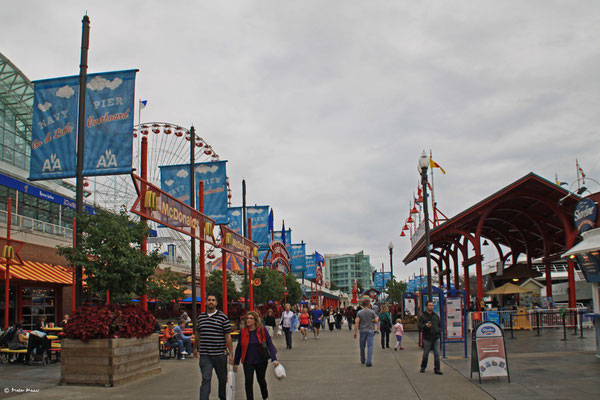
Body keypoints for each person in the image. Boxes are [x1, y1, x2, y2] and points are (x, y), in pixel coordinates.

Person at [234, 311, 280, 400]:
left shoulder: (262, 330)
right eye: (247, 318)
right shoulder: (243, 331)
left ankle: (265, 397)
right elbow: (239, 347)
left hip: (261, 360)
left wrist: (274, 359)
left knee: (261, 380)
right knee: (248, 382)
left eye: (251, 318)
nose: (248, 320)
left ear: (255, 320)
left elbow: (269, 344)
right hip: (248, 361)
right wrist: (236, 362)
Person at [196, 294, 234, 400]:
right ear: (206, 302)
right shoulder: (201, 318)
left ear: (216, 303)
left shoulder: (222, 317)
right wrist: (195, 348)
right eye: (209, 300)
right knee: (206, 378)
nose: (211, 302)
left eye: (213, 300)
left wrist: (231, 353)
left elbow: (227, 336)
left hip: (219, 354)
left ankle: (222, 398)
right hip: (205, 354)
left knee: (222, 380)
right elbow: (198, 334)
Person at [418, 301, 442, 375]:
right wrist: (425, 326)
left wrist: (438, 331)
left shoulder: (436, 316)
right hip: (427, 337)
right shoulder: (423, 316)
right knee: (426, 353)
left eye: (432, 305)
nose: (431, 307)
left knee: (437, 353)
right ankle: (423, 366)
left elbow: (440, 325)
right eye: (430, 305)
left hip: (436, 337)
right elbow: (419, 326)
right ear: (426, 306)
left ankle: (437, 369)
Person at [353, 298, 379, 367]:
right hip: (370, 330)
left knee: (362, 346)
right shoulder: (372, 312)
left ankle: (362, 359)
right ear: (368, 304)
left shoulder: (359, 312)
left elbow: (357, 323)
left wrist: (355, 332)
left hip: (362, 331)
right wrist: (372, 321)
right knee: (370, 346)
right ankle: (369, 361)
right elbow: (376, 321)